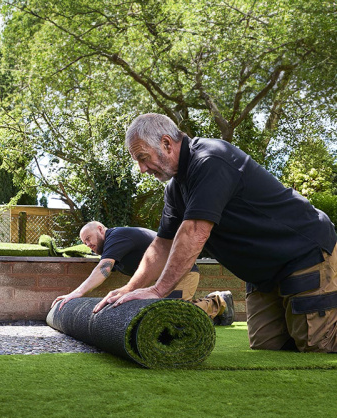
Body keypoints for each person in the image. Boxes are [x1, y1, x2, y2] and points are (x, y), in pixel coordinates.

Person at [94, 113, 337, 353]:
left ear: (166, 143)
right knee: (268, 344)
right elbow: (162, 245)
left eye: (143, 158)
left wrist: (159, 291)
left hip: (303, 252)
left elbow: (195, 232)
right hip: (264, 274)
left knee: (318, 344)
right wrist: (130, 289)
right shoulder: (175, 189)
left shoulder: (210, 160)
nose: (142, 169)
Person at [52, 221, 235, 325]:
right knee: (158, 317)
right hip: (160, 282)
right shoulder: (115, 249)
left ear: (100, 229)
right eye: (85, 243)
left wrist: (76, 293)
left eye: (89, 239)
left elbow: (102, 270)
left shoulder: (116, 237)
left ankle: (218, 302)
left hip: (182, 273)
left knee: (171, 314)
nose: (88, 245)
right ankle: (212, 313)